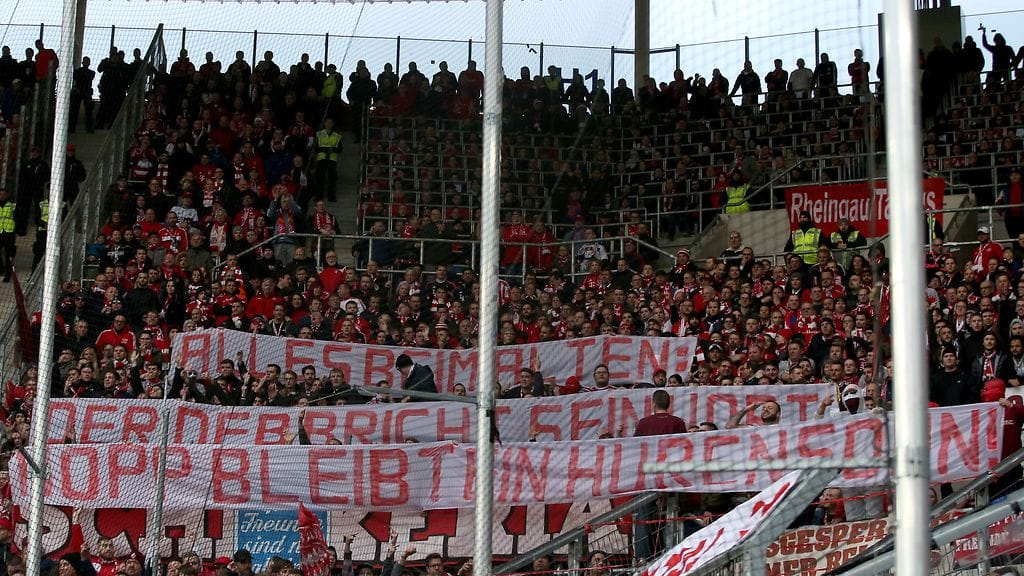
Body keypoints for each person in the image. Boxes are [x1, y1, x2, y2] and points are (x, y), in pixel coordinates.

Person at [633, 389, 687, 561]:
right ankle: (668, 553)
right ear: (669, 404)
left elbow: (633, 448)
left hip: (647, 477)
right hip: (671, 476)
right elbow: (684, 447)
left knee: (643, 515)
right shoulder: (677, 422)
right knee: (670, 512)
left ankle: (643, 556)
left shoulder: (643, 423)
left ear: (653, 403)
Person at [312, 117, 342, 201]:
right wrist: (325, 149)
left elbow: (340, 149)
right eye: (327, 122)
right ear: (324, 124)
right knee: (319, 178)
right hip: (321, 159)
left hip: (332, 159)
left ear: (333, 124)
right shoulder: (319, 134)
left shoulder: (337, 136)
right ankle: (319, 196)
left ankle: (331, 196)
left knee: (332, 179)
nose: (329, 124)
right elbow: (315, 147)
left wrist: (332, 150)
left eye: (330, 123)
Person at [996, 167, 1024, 239]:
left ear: (1020, 175)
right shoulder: (1004, 190)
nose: (1014, 177)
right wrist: (999, 209)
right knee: (1014, 240)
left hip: (1023, 217)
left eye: (1016, 174)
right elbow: (998, 202)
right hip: (1010, 219)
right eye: (1012, 175)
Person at [70, 56, 95, 133]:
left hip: (82, 91)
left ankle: (72, 128)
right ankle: (88, 128)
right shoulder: (91, 73)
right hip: (83, 91)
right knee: (81, 110)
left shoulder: (78, 72)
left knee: (83, 110)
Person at [0, 187, 15, 281]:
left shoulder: (12, 206)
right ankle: (1, 269)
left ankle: (8, 275)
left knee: (8, 254)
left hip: (9, 233)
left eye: (3, 194)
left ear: (7, 195)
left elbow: (17, 217)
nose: (1, 196)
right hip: (0, 232)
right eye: (0, 194)